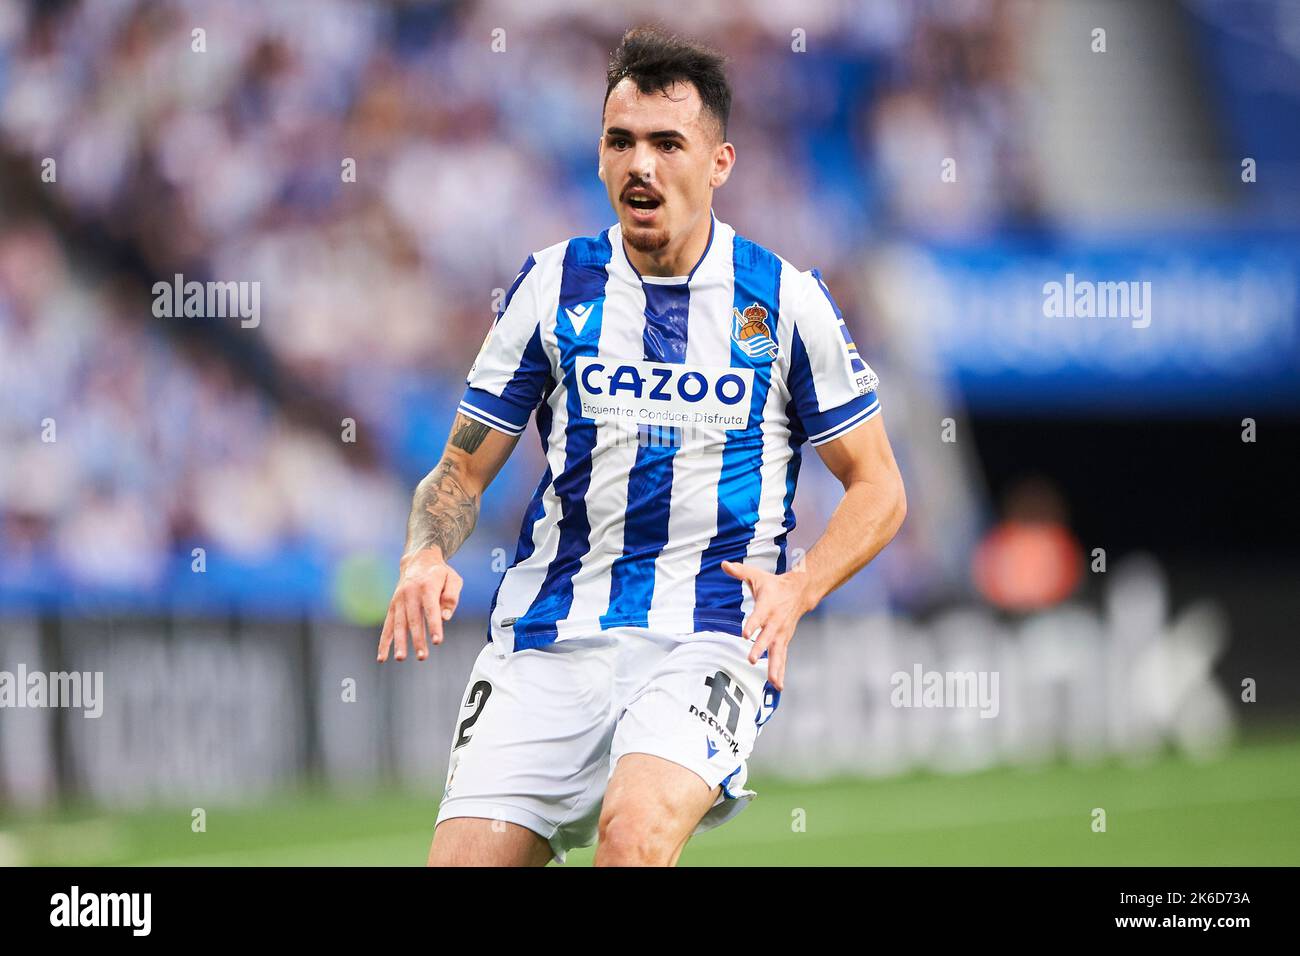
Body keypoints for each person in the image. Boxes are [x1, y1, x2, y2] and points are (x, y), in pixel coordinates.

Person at [377, 26, 906, 867]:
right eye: (621, 142)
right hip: (547, 638)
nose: (641, 165)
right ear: (598, 157)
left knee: (632, 837)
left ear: (720, 163)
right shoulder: (552, 287)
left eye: (668, 143)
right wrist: (422, 555)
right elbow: (458, 472)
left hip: (707, 637)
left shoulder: (786, 302)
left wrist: (801, 588)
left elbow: (879, 486)